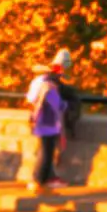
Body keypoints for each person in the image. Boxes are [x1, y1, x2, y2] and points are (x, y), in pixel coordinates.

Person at [26, 55, 70, 192]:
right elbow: (58, 105)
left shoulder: (42, 84)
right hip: (48, 125)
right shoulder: (49, 88)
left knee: (44, 152)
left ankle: (42, 179)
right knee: (46, 154)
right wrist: (66, 104)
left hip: (42, 124)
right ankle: (37, 180)